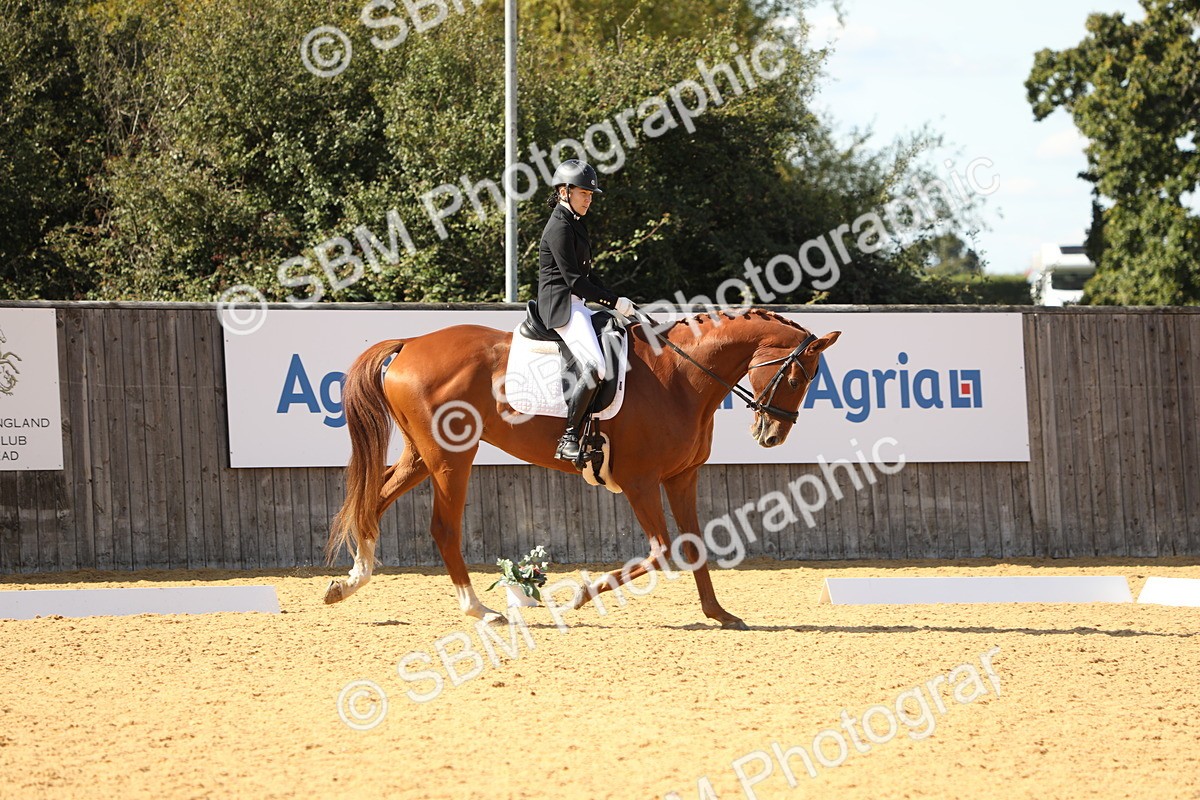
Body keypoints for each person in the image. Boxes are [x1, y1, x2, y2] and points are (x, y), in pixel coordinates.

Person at [537, 159, 635, 462]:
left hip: (577, 303)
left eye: (591, 195)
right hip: (562, 306)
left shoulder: (575, 224)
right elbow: (576, 281)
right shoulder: (559, 227)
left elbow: (589, 276)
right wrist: (612, 302)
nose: (589, 199)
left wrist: (617, 299)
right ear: (564, 191)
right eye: (584, 193)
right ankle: (567, 438)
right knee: (596, 366)